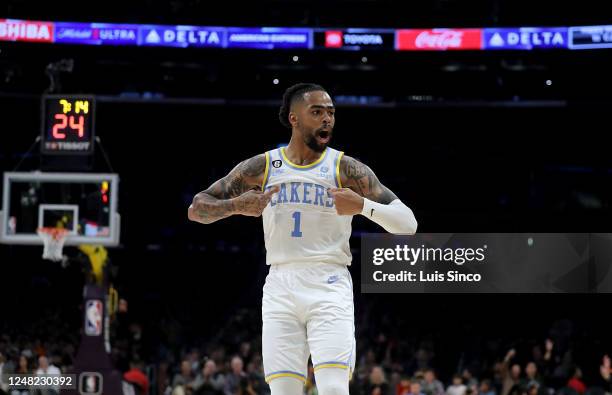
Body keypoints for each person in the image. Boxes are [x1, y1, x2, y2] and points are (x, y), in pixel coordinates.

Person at [188, 82, 418, 395]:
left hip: (329, 283)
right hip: (281, 283)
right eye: (317, 112)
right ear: (294, 118)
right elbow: (197, 208)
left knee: (334, 389)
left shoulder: (345, 168)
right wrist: (236, 206)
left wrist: (363, 206)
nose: (327, 119)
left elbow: (408, 224)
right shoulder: (264, 165)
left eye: (331, 113)